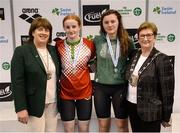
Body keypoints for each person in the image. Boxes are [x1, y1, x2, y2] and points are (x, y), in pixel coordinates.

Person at [11, 17, 60, 132]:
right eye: (40, 29)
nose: (44, 32)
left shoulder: (53, 50)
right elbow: (17, 82)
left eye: (47, 30)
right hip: (34, 104)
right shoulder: (22, 51)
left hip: (53, 103)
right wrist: (21, 108)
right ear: (33, 32)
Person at [126, 21, 175, 132]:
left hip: (150, 112)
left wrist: (166, 116)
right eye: (142, 35)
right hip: (132, 107)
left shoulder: (162, 59)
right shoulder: (134, 55)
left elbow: (167, 92)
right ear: (138, 38)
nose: (145, 38)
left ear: (155, 37)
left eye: (149, 35)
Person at [93, 9, 135, 132]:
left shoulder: (128, 41)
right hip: (101, 88)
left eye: (113, 21)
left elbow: (134, 61)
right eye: (106, 22)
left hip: (120, 87)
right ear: (102, 25)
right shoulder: (97, 40)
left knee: (122, 125)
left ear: (118, 22)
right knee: (103, 126)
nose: (110, 25)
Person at [55, 14, 95, 132]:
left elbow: (93, 65)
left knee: (84, 129)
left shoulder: (90, 44)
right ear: (64, 28)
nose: (71, 30)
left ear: (79, 27)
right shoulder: (58, 45)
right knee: (68, 129)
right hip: (65, 93)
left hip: (84, 91)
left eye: (74, 26)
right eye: (67, 27)